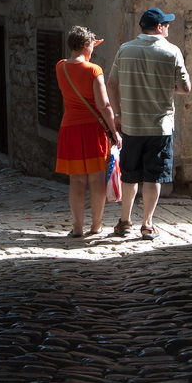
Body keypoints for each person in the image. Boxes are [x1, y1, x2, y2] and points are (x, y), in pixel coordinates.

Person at [106, 7, 191, 240]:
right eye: (167, 24)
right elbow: (185, 88)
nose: (169, 28)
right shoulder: (172, 52)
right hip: (160, 127)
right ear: (161, 27)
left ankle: (124, 222)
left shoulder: (125, 50)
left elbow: (112, 84)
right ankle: (147, 225)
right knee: (154, 176)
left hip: (131, 125)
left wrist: (117, 114)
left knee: (130, 174)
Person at [55, 26, 120, 238]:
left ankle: (77, 227)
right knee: (96, 179)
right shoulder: (94, 70)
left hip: (70, 129)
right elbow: (104, 105)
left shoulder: (60, 67)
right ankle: (96, 226)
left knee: (76, 180)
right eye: (91, 45)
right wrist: (115, 132)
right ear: (85, 46)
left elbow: (75, 62)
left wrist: (88, 45)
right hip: (93, 129)